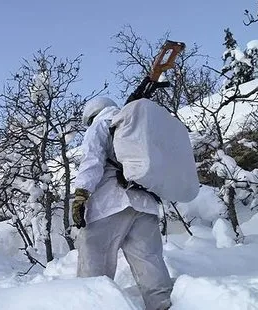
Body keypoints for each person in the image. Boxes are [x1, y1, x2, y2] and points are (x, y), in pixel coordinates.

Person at [71, 97, 173, 310]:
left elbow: (92, 161)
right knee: (150, 262)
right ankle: (163, 305)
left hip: (109, 205)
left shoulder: (101, 124)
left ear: (90, 116)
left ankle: (92, 306)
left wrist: (81, 195)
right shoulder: (138, 125)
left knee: (93, 264)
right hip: (145, 205)